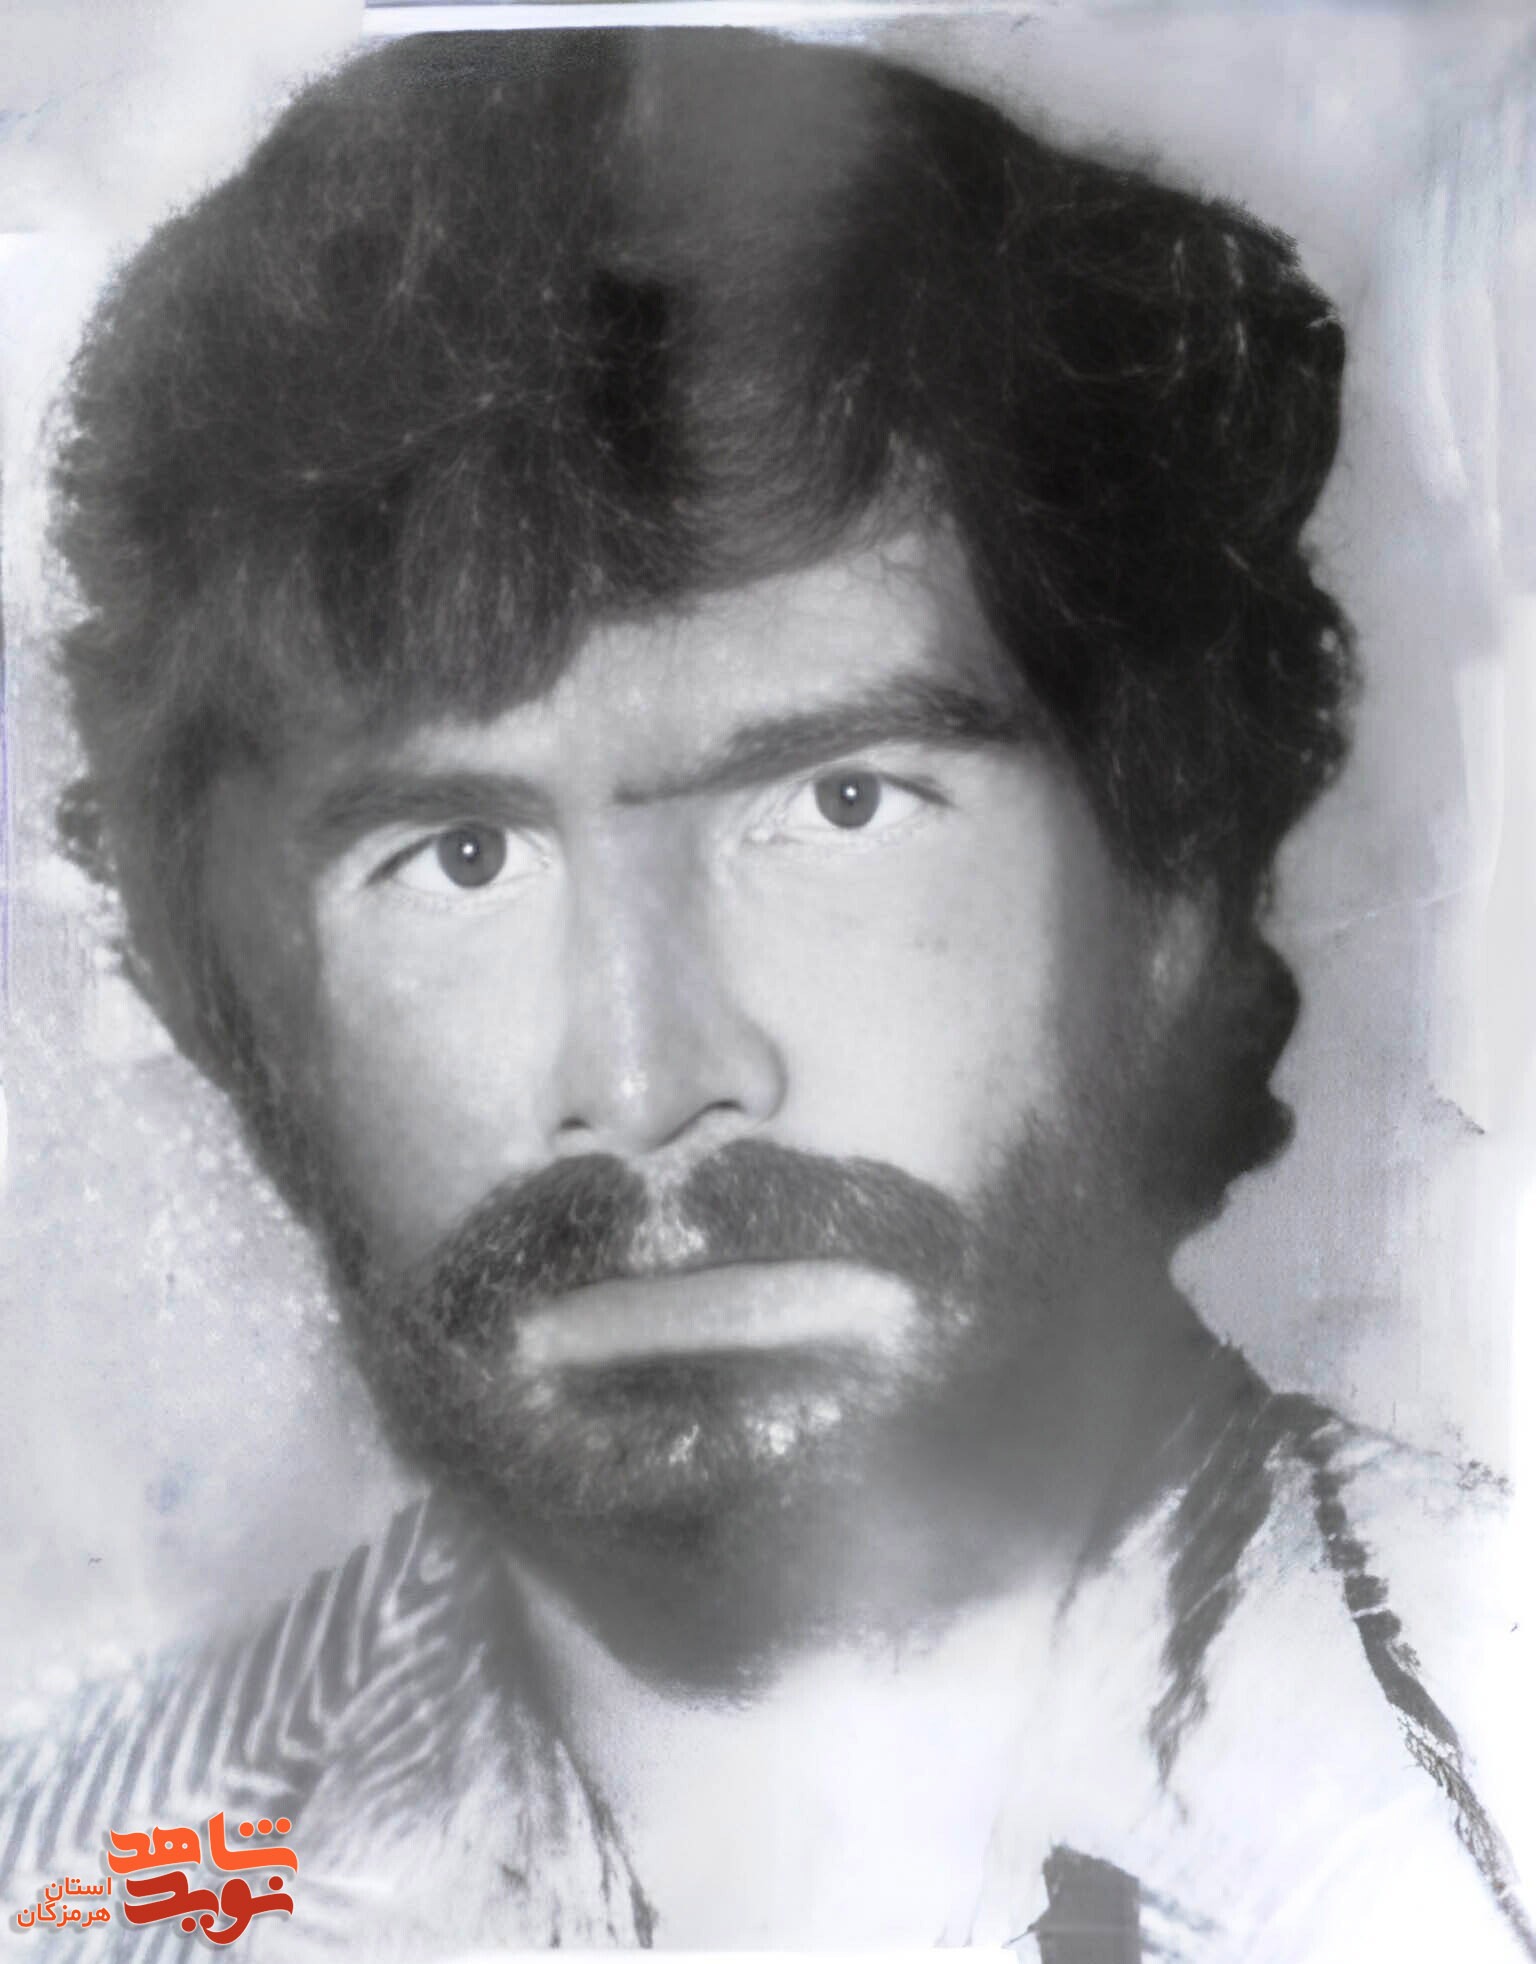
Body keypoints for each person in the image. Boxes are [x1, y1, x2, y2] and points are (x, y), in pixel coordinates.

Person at [0, 24, 1529, 1961]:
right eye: (462, 858)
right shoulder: (70, 1882)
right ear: (234, 995)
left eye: (837, 804)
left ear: (1171, 871)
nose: (648, 1077)